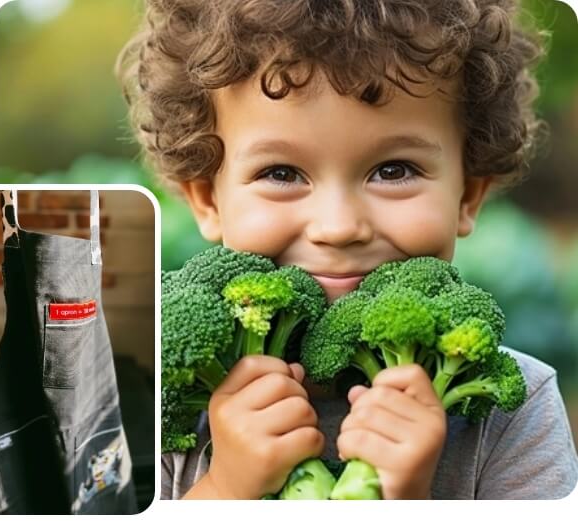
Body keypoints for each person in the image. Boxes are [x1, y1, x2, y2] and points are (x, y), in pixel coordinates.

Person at [118, 0, 578, 499]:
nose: (338, 228)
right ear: (207, 200)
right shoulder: (166, 397)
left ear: (468, 195)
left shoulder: (513, 408)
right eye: (281, 173)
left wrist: (409, 501)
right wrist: (225, 489)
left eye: (394, 170)